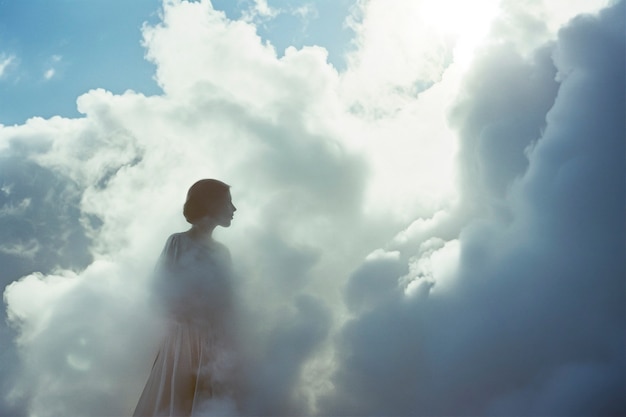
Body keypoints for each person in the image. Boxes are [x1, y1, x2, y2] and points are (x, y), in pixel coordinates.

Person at [134, 179, 240, 417]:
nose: (234, 209)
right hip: (184, 341)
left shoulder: (223, 253)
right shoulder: (178, 242)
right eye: (228, 202)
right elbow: (161, 295)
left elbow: (231, 303)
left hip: (216, 341)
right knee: (180, 400)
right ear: (211, 204)